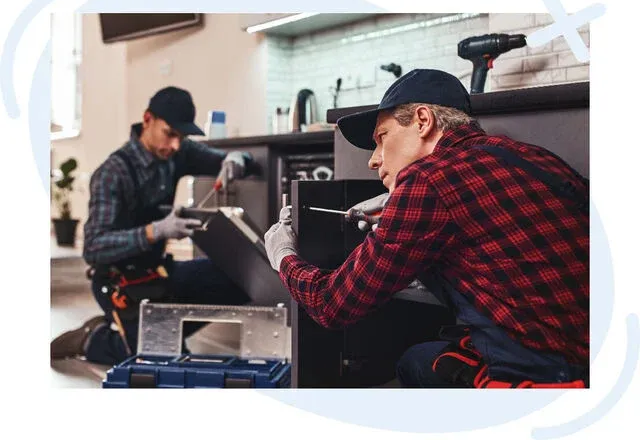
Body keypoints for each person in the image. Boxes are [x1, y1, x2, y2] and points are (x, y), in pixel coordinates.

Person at [264, 69, 589, 388]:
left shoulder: (428, 180)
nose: (373, 160)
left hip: (544, 377)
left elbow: (332, 304)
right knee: (423, 358)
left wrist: (283, 254)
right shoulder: (533, 156)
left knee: (413, 364)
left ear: (423, 121)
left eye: (382, 138)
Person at [51, 86, 252, 365]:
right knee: (159, 359)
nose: (176, 145)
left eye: (181, 137)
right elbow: (94, 247)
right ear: (147, 120)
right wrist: (155, 231)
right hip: (118, 282)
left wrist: (235, 159)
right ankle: (93, 338)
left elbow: (221, 158)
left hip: (158, 273)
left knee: (240, 276)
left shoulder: (175, 152)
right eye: (170, 134)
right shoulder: (113, 173)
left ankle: (156, 331)